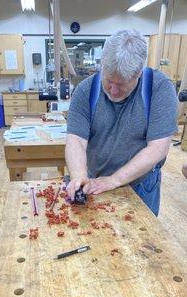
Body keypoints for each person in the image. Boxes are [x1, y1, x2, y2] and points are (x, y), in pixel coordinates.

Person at [66, 29, 178, 216]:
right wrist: (78, 177)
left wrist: (114, 180)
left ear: (138, 74)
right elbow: (76, 140)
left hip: (140, 185)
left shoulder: (159, 89)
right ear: (102, 67)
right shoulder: (85, 91)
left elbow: (158, 148)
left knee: (141, 244)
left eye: (122, 84)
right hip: (95, 182)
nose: (114, 90)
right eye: (109, 81)